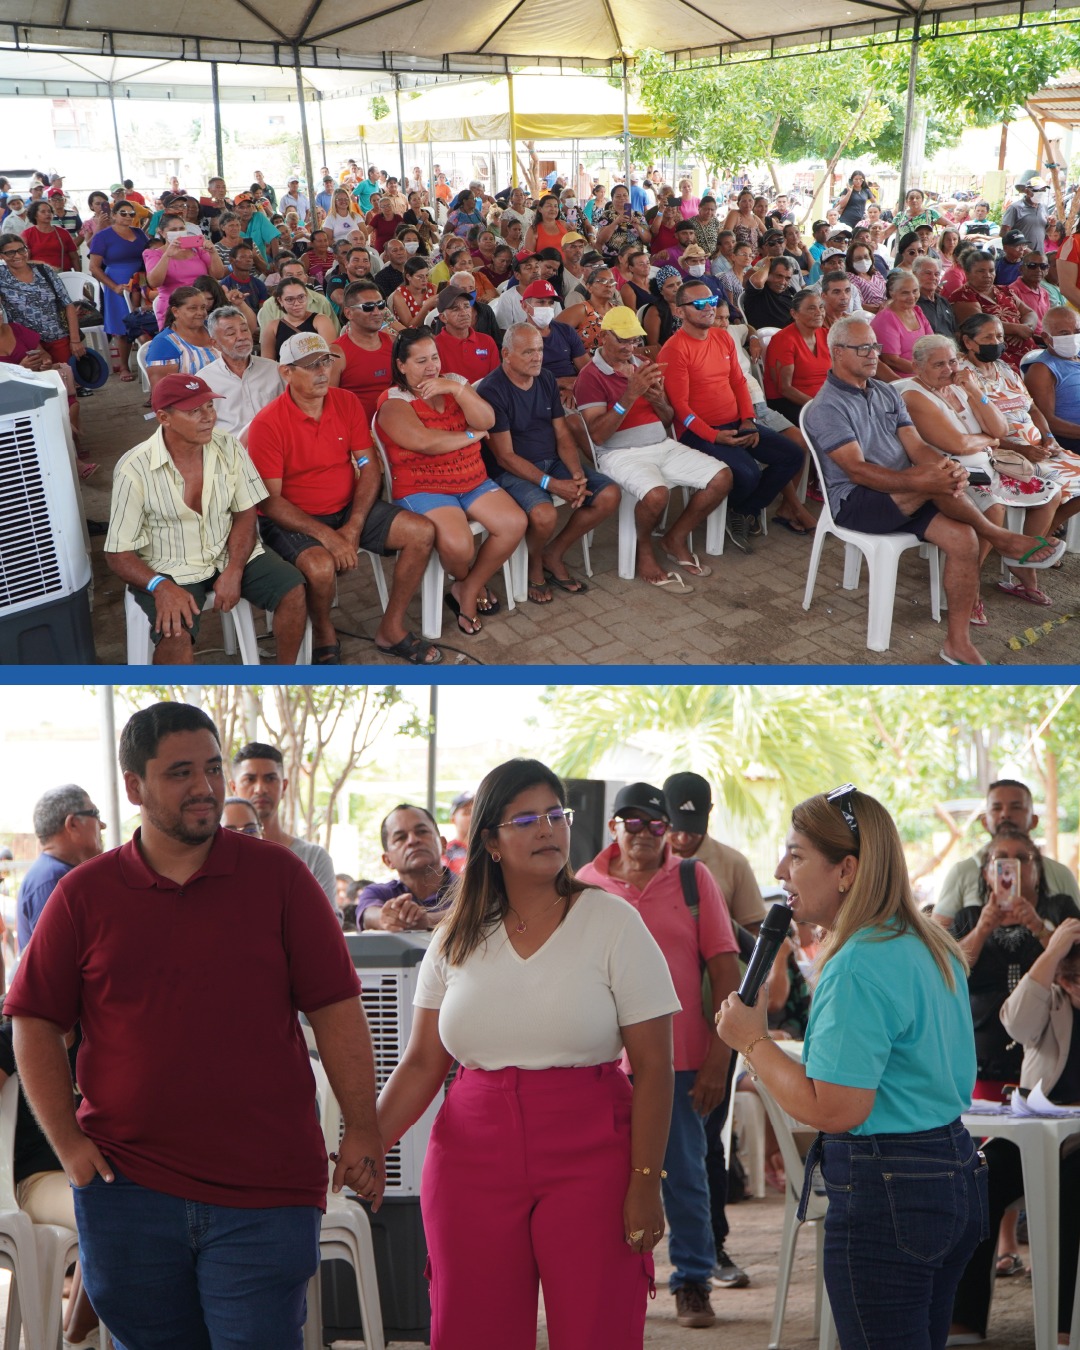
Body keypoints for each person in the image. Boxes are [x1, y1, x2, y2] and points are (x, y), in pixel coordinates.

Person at [6, 701, 382, 1350]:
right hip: (126, 1188)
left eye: (212, 768)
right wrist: (68, 1145)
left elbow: (337, 1009)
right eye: (180, 772)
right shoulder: (83, 894)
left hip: (265, 1187)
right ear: (134, 787)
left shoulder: (282, 879)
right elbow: (34, 1020)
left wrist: (363, 1127)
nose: (206, 787)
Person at [376, 759, 677, 1348]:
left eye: (556, 815)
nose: (548, 829)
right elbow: (420, 1064)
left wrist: (645, 1182)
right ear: (489, 839)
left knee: (598, 1330)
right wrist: (365, 1141)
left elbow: (655, 1068)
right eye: (526, 819)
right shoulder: (456, 933)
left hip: (594, 1153)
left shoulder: (613, 922)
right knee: (470, 1329)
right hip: (470, 1156)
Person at [715, 785, 986, 1350]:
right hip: (953, 1169)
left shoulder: (858, 963)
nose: (780, 870)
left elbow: (835, 1108)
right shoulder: (929, 941)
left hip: (889, 1191)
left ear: (846, 870)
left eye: (796, 855)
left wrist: (752, 1042)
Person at [803, 316, 1064, 666]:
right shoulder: (828, 407)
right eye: (863, 348)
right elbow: (857, 471)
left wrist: (943, 467)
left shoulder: (882, 390)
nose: (872, 355)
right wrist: (924, 479)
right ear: (837, 353)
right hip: (856, 500)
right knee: (934, 483)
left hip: (905, 492)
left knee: (964, 539)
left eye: (875, 347)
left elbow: (916, 447)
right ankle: (1003, 539)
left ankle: (957, 642)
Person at [576, 781, 740, 1329]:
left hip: (682, 1058)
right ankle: (615, 1279)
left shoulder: (694, 879)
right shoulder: (584, 885)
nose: (643, 832)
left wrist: (720, 1058)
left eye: (654, 823)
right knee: (600, 1178)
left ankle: (692, 1281)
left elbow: (724, 971)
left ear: (667, 829)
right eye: (632, 821)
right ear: (612, 826)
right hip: (599, 1061)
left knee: (685, 1176)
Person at [246, 331, 440, 666]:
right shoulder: (268, 423)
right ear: (286, 373)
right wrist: (327, 537)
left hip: (348, 508)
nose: (322, 371)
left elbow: (368, 466)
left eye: (325, 361)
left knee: (421, 532)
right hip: (295, 518)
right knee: (320, 567)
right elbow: (271, 502)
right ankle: (323, 630)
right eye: (310, 365)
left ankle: (391, 628)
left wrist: (353, 526)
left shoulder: (345, 401)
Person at [105, 373, 308, 665]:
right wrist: (159, 587)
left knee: (293, 590)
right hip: (170, 566)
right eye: (194, 411)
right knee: (175, 632)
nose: (208, 417)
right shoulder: (134, 469)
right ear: (164, 417)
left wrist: (235, 569)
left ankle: (284, 678)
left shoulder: (228, 446)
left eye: (210, 407)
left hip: (228, 550)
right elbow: (117, 552)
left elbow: (245, 512)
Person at [950, 916, 1080, 1345]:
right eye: (1070, 976)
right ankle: (964, 1318)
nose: (1076, 985)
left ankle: (1065, 1323)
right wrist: (1050, 953)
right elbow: (1016, 1023)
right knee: (978, 1176)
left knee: (1070, 1189)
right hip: (1037, 1131)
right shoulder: (1053, 1001)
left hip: (1075, 1144)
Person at [375, 327, 527, 636]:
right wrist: (471, 437)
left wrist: (457, 391)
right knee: (459, 546)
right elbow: (425, 442)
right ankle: (467, 578)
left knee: (514, 523)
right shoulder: (393, 401)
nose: (431, 366)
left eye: (434, 357)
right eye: (420, 361)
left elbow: (488, 420)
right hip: (423, 486)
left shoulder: (454, 383)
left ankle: (467, 587)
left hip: (472, 478)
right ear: (401, 365)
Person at [899, 333, 1062, 617]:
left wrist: (975, 391)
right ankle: (968, 584)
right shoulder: (914, 395)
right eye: (938, 365)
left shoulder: (961, 385)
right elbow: (956, 445)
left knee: (1050, 491)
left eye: (952, 361)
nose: (948, 370)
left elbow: (999, 430)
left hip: (990, 465)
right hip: (953, 471)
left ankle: (1019, 563)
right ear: (917, 367)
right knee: (994, 508)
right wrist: (988, 439)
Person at [478, 322, 619, 602]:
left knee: (608, 495)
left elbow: (562, 432)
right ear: (506, 354)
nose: (537, 357)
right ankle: (534, 565)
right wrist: (551, 484)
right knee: (545, 515)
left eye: (540, 350)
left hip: (552, 461)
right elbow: (504, 456)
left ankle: (552, 553)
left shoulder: (545, 378)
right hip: (511, 471)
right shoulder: (492, 390)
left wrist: (577, 474)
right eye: (528, 351)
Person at [662, 280, 803, 553]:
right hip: (698, 431)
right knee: (748, 473)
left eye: (712, 302)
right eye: (699, 304)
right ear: (680, 312)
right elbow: (680, 408)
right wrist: (714, 436)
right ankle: (740, 508)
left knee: (792, 454)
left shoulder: (722, 337)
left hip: (738, 423)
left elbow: (738, 382)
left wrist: (748, 420)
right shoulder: (675, 349)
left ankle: (740, 510)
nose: (709, 309)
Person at [933, 780, 1080, 926]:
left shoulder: (1061, 874)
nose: (1005, 814)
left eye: (1016, 807)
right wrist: (981, 930)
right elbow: (938, 940)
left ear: (1034, 821)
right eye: (996, 808)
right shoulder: (961, 873)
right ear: (984, 822)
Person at [16, 786, 104, 952]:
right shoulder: (51, 880)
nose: (103, 825)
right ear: (72, 824)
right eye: (95, 815)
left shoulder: (55, 873)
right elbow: (56, 958)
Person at [355, 804, 453, 931]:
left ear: (443, 844)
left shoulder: (473, 889)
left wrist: (427, 920)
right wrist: (387, 918)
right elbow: (368, 915)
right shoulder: (377, 893)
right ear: (388, 860)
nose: (413, 840)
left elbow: (479, 913)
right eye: (401, 837)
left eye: (422, 832)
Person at [200, 305, 284, 441]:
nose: (241, 337)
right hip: (230, 452)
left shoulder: (274, 370)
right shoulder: (204, 379)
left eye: (245, 330)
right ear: (215, 343)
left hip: (276, 445)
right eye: (231, 333)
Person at [0, 233, 85, 366]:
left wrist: (75, 340)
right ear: (1, 256)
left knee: (67, 377)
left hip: (57, 336)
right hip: (26, 344)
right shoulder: (2, 276)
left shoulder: (44, 271)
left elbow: (67, 304)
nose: (18, 255)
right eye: (10, 252)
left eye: (21, 250)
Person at [87, 199, 149, 381]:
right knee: (122, 325)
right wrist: (113, 286)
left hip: (141, 281)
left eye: (131, 214)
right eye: (123, 213)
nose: (128, 217)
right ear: (114, 215)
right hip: (117, 282)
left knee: (144, 320)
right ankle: (124, 365)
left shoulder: (139, 233)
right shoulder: (103, 236)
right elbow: (94, 267)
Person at [949, 251, 1037, 372]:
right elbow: (980, 325)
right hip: (995, 354)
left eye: (991, 271)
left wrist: (1026, 327)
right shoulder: (963, 295)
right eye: (981, 271)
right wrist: (1016, 329)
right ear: (967, 273)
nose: (987, 275)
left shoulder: (1004, 290)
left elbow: (1029, 313)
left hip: (1028, 349)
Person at [763, 287, 831, 426]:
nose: (819, 313)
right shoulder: (784, 340)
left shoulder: (826, 335)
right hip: (791, 403)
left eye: (821, 307)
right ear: (794, 313)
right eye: (812, 308)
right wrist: (818, 405)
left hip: (825, 399)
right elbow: (785, 389)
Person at [143, 285, 217, 387]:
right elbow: (162, 392)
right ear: (175, 311)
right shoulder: (163, 345)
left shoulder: (212, 329)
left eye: (203, 307)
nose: (200, 313)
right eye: (193, 308)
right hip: (192, 401)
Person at [871, 270, 935, 377]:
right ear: (892, 293)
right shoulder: (886, 319)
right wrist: (926, 370)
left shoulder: (917, 311)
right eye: (905, 293)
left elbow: (933, 342)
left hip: (927, 371)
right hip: (904, 379)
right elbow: (892, 361)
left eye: (915, 291)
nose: (912, 297)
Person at [432, 285, 500, 382]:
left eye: (467, 306)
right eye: (455, 309)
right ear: (443, 318)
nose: (464, 313)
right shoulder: (434, 348)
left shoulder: (487, 341)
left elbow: (496, 379)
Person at [21, 199, 79, 273]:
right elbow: (25, 261)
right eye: (43, 212)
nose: (48, 214)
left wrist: (79, 276)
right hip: (38, 276)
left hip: (63, 275)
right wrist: (46, 267)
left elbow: (74, 257)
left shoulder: (63, 233)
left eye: (49, 211)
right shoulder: (27, 234)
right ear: (35, 215)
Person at [742, 256, 796, 330]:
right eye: (779, 276)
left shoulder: (791, 291)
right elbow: (758, 281)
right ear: (768, 274)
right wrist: (767, 263)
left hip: (792, 333)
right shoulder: (758, 291)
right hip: (767, 337)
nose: (783, 282)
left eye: (787, 278)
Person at [1001, 176, 1050, 252]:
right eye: (1037, 190)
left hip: (1038, 255)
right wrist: (1021, 248)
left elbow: (1047, 233)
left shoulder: (1044, 208)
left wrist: (1053, 225)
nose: (1041, 193)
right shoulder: (1015, 208)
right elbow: (1004, 233)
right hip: (1020, 255)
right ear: (1027, 191)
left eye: (1043, 190)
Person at [913, 256, 956, 338]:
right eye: (928, 273)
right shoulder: (913, 304)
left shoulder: (943, 301)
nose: (933, 278)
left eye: (937, 274)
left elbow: (955, 331)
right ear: (915, 275)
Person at [444, 790, 472, 875]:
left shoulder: (491, 847)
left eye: (478, 811)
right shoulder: (445, 852)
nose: (474, 816)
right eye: (467, 812)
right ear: (453, 819)